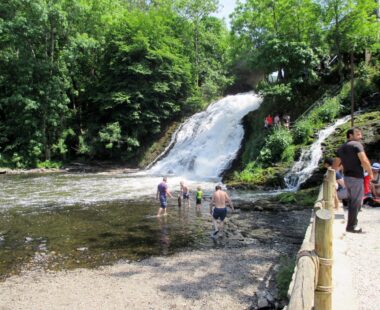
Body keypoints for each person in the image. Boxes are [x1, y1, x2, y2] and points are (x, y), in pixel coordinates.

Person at [333, 128, 373, 233]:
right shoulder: (356, 145)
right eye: (358, 134)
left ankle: (351, 224)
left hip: (347, 178)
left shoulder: (341, 148)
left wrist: (332, 176)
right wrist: (371, 174)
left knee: (352, 201)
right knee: (357, 202)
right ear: (350, 135)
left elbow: (335, 165)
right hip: (356, 177)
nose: (360, 136)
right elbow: (364, 160)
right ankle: (352, 226)